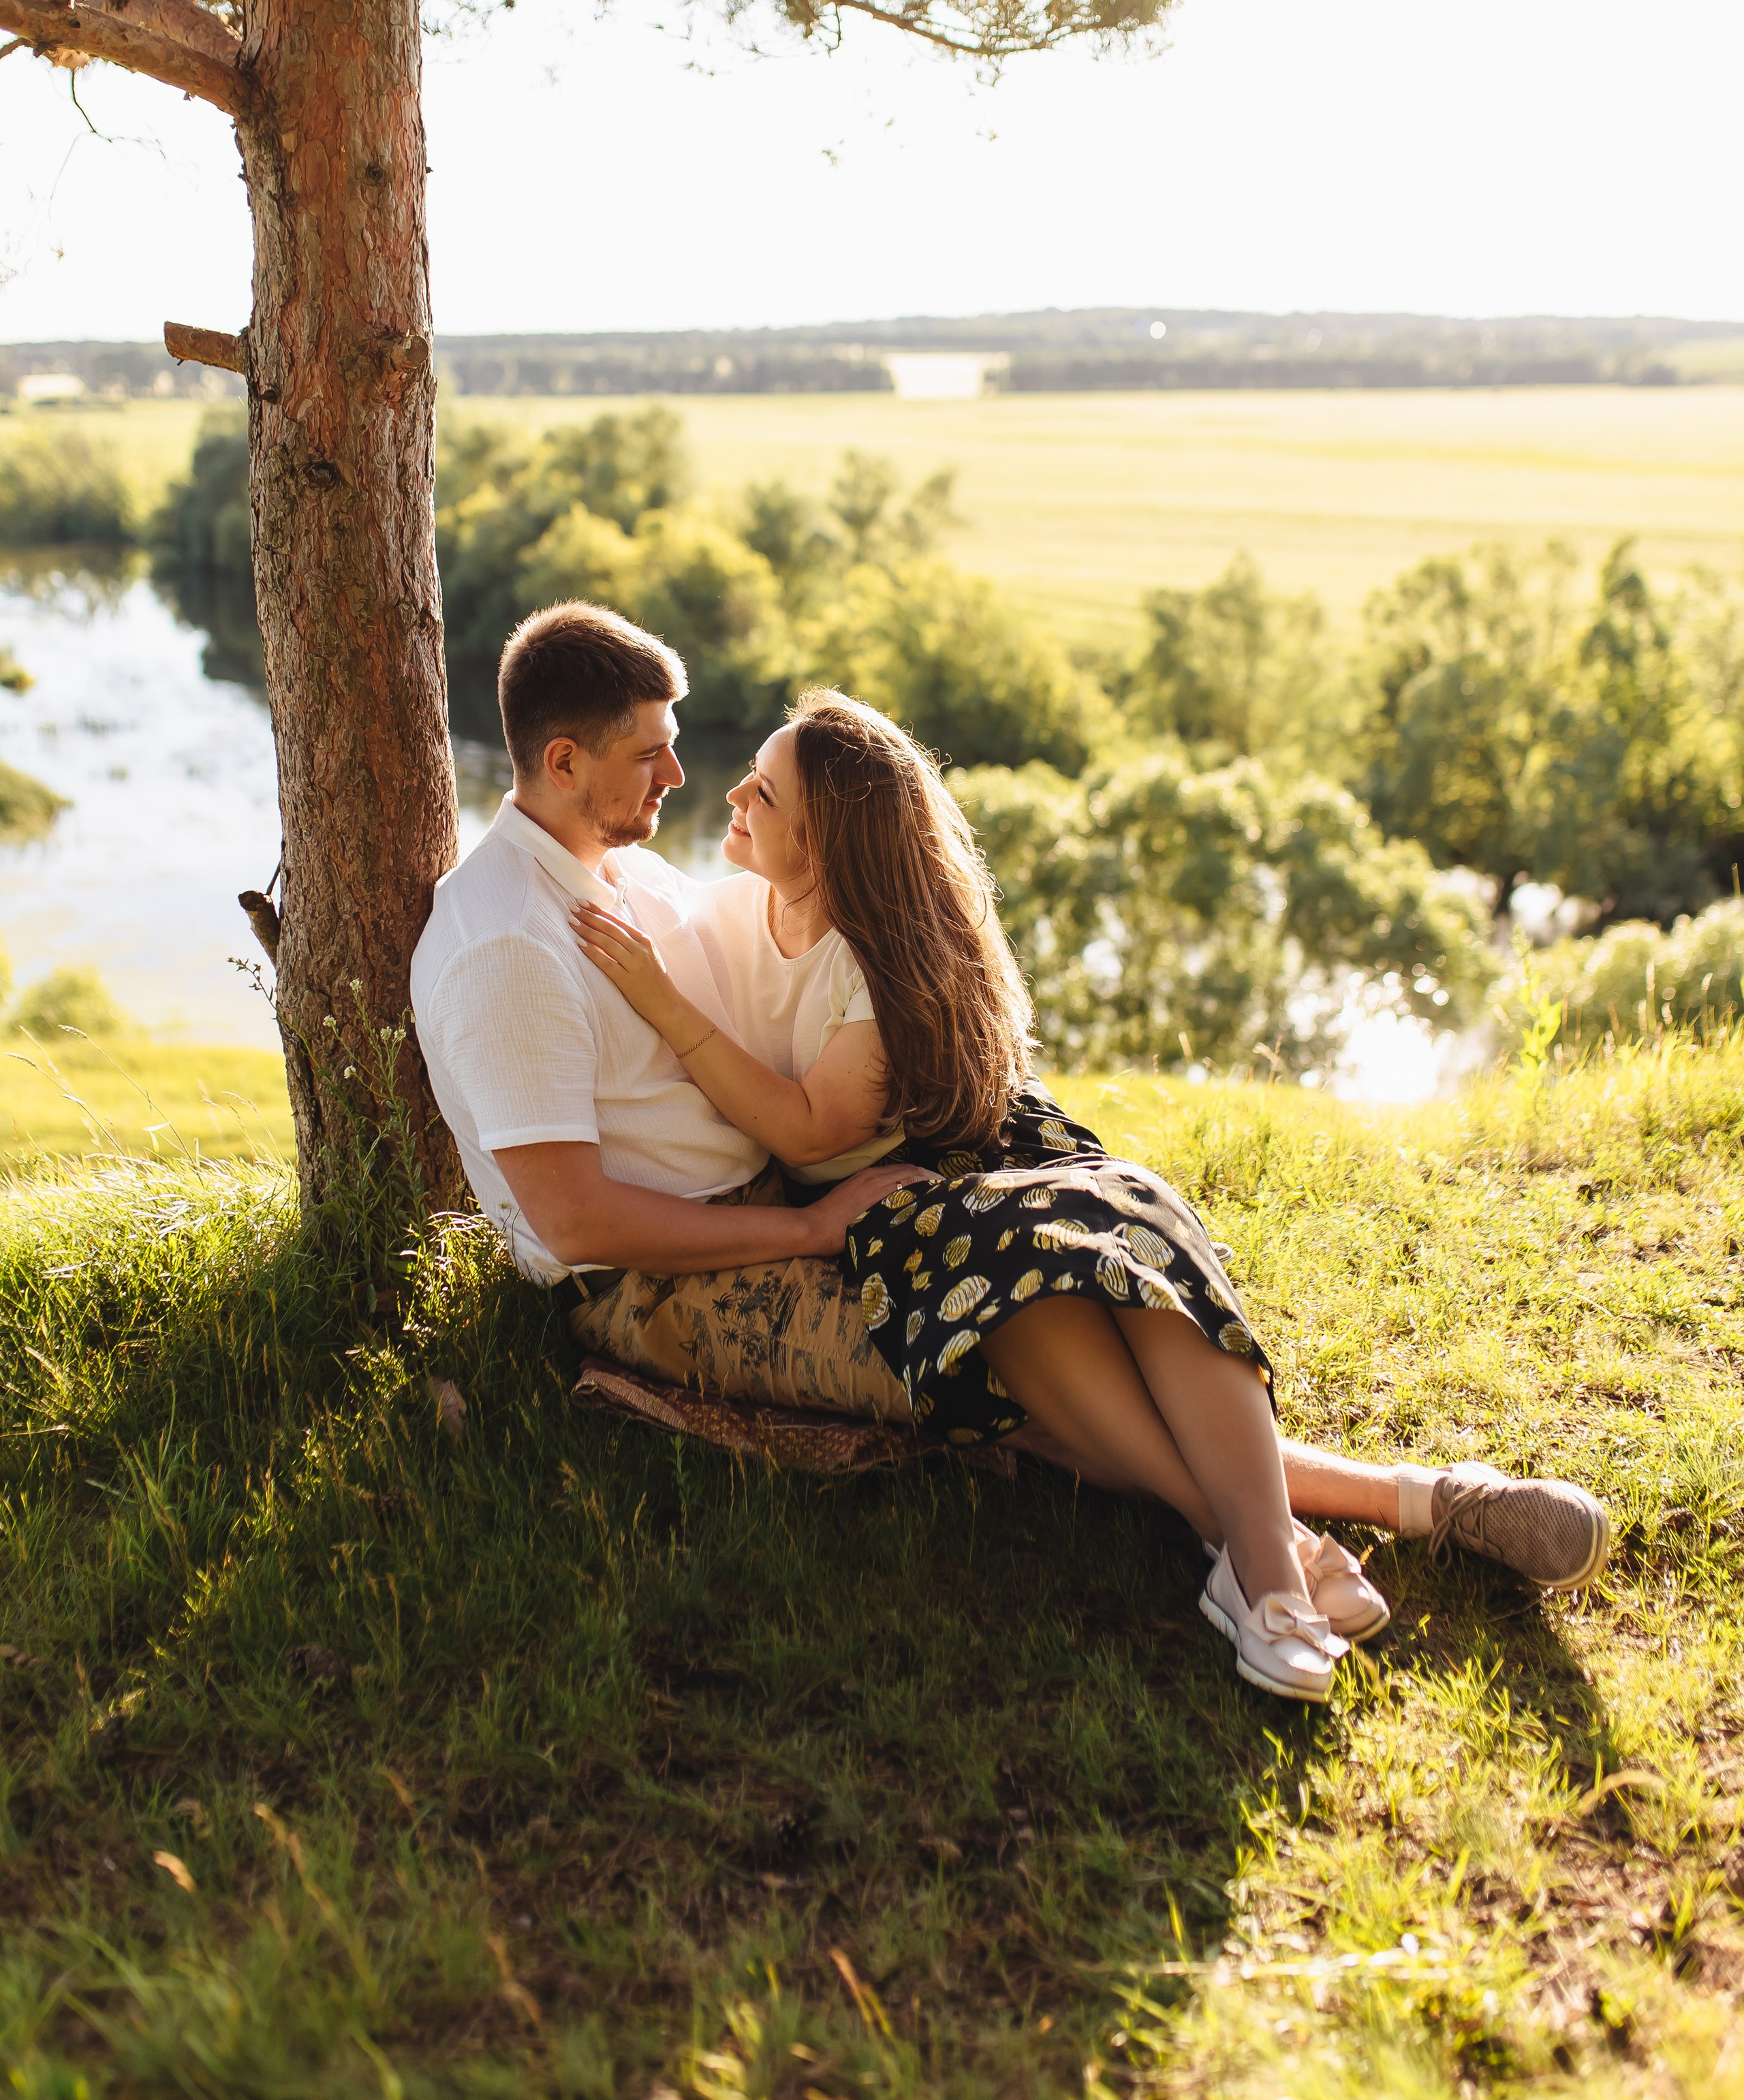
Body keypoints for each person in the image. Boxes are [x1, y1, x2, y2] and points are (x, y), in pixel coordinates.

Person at [411, 604, 1608, 1706]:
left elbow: (805, 989)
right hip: (663, 1279)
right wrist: (806, 1228)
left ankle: (1331, 1532)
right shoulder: (508, 943)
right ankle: (1330, 1530)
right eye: (649, 753)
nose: (683, 773)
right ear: (561, 763)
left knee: (1106, 1249)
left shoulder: (637, 876)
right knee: (994, 1334)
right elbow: (576, 1225)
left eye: (686, 749)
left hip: (799, 1192)